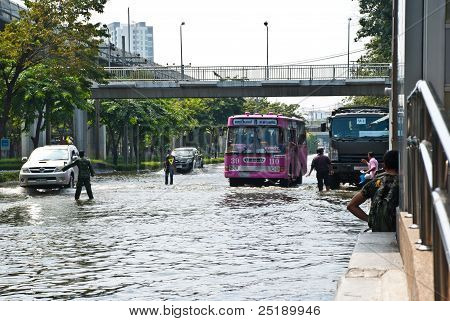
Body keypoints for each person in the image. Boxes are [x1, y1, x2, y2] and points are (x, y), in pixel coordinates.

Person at [347, 150, 399, 232]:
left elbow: (351, 206)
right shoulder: (407, 185)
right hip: (400, 230)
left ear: (384, 165)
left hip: (378, 231)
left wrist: (370, 220)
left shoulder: (374, 184)